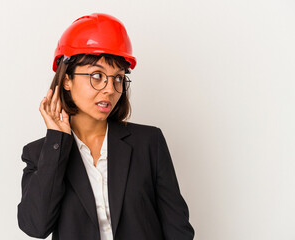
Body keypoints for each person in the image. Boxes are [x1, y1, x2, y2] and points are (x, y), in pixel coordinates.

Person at [17, 13, 195, 240]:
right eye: (97, 76)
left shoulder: (148, 142)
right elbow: (35, 226)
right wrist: (56, 142)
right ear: (67, 80)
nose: (110, 88)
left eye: (118, 78)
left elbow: (177, 228)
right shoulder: (39, 154)